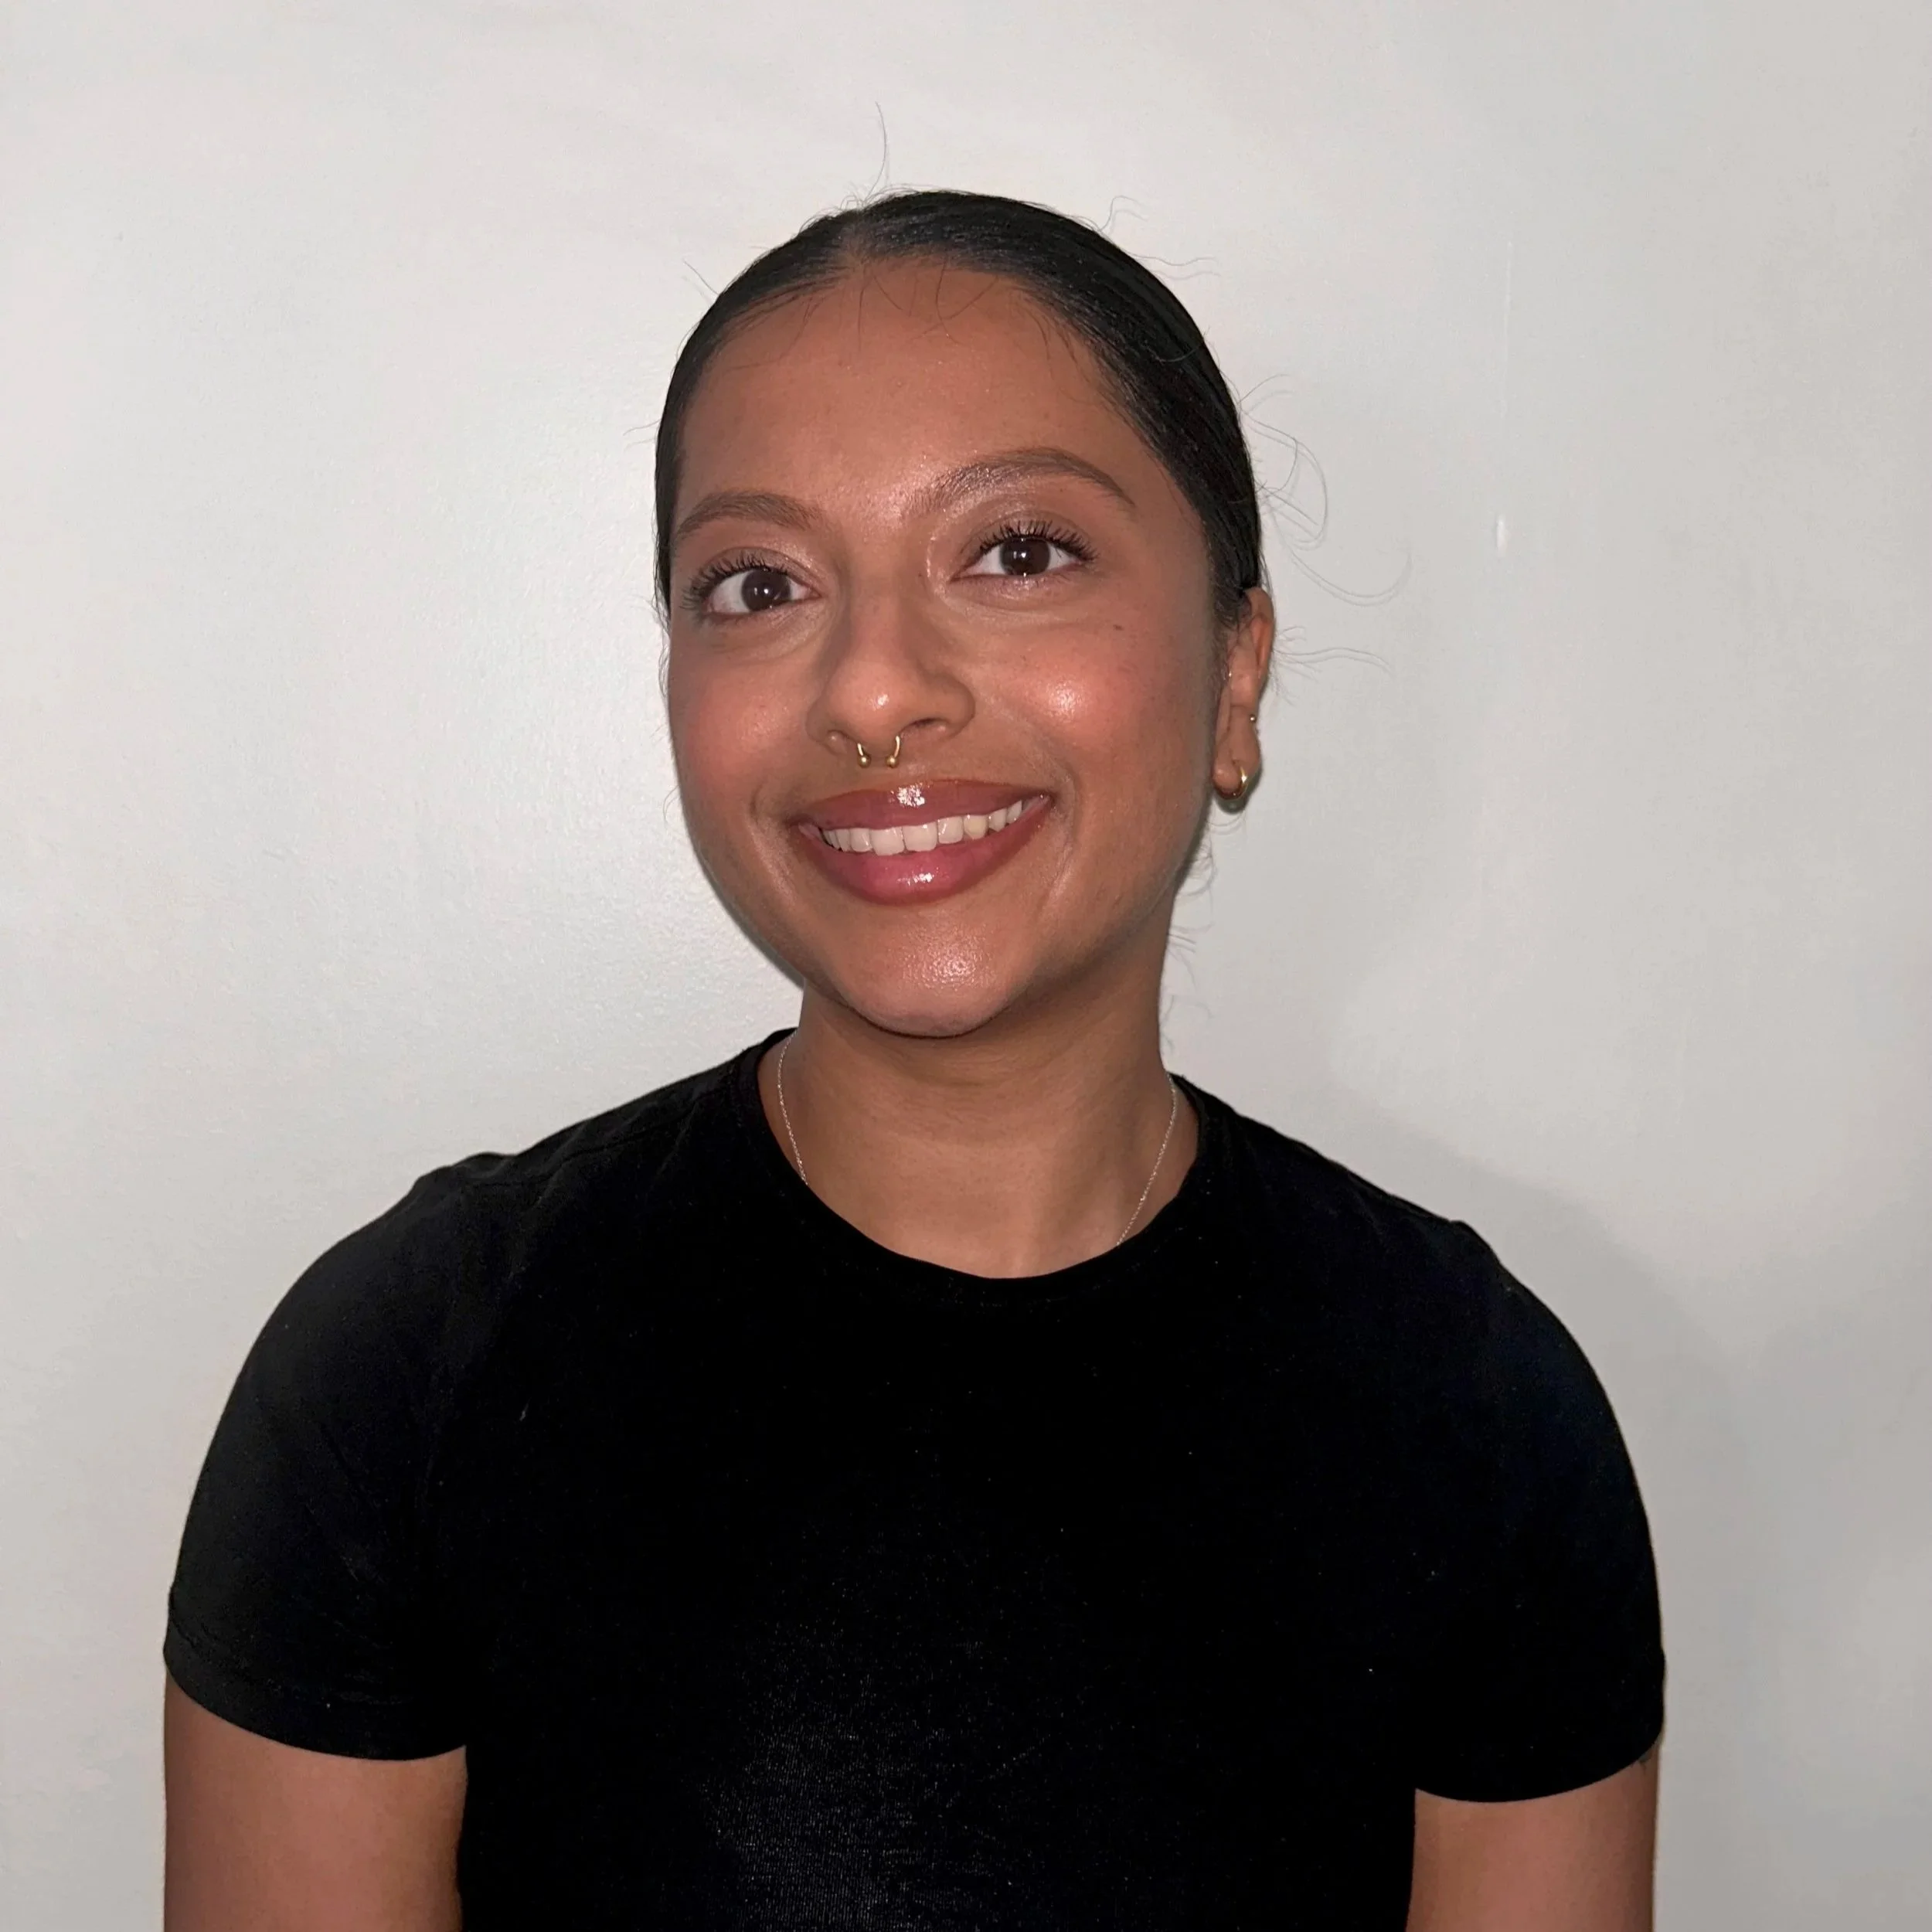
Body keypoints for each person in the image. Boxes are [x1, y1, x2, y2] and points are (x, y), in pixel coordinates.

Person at [162, 190, 1664, 1931]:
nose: (873, 688)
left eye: (1017, 550)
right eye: (759, 582)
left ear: (1234, 666)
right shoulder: (405, 1371)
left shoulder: (1476, 1412)